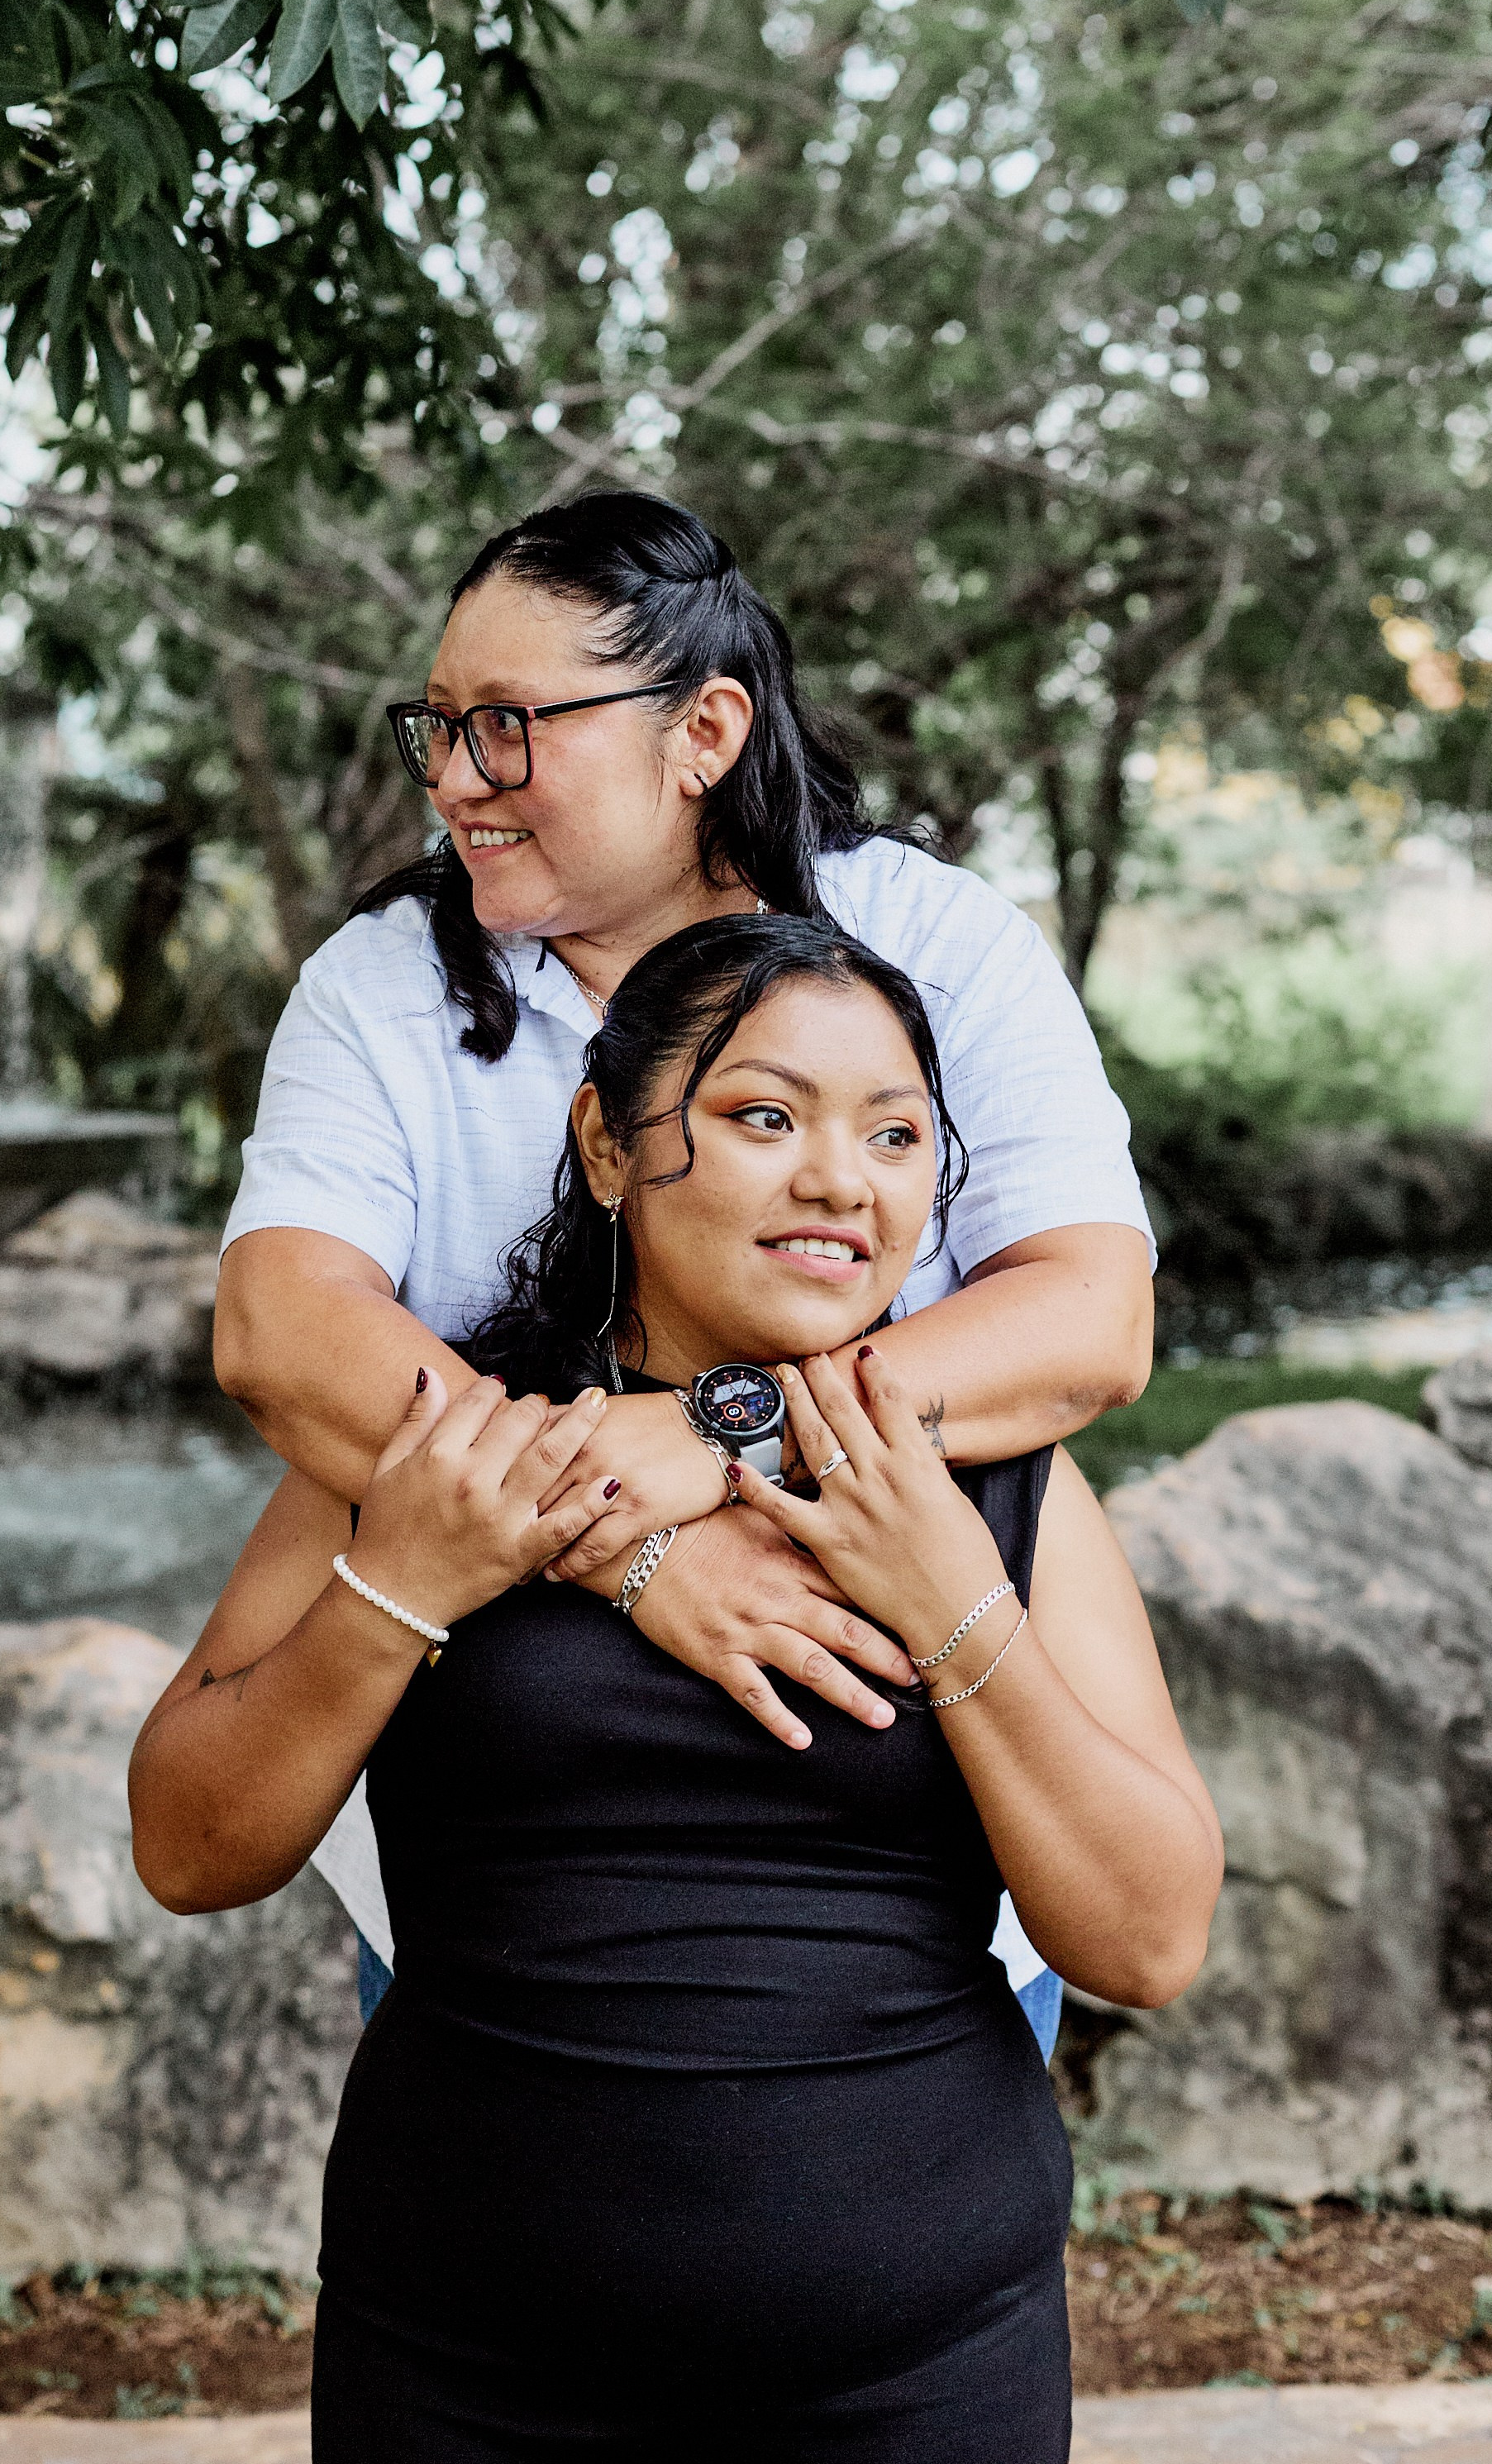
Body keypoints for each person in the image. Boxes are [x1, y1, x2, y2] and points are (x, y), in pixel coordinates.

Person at [131, 915, 1221, 2462]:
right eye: (764, 1117)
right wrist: (406, 1582)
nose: (842, 1180)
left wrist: (953, 1609)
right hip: (462, 2370)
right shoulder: (454, 1446)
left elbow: (1148, 1939)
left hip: (918, 2379)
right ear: (605, 1143)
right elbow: (188, 1848)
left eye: (895, 1135)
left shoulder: (990, 1484)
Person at [207, 491, 1158, 2052]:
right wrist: (635, 1542)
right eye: (438, 727)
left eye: (508, 727)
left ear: (702, 731)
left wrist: (724, 1426)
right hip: (502, 1859)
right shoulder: (383, 987)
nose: (454, 777)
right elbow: (281, 1336)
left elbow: (1088, 1318)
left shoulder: (933, 941)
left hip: (896, 1850)